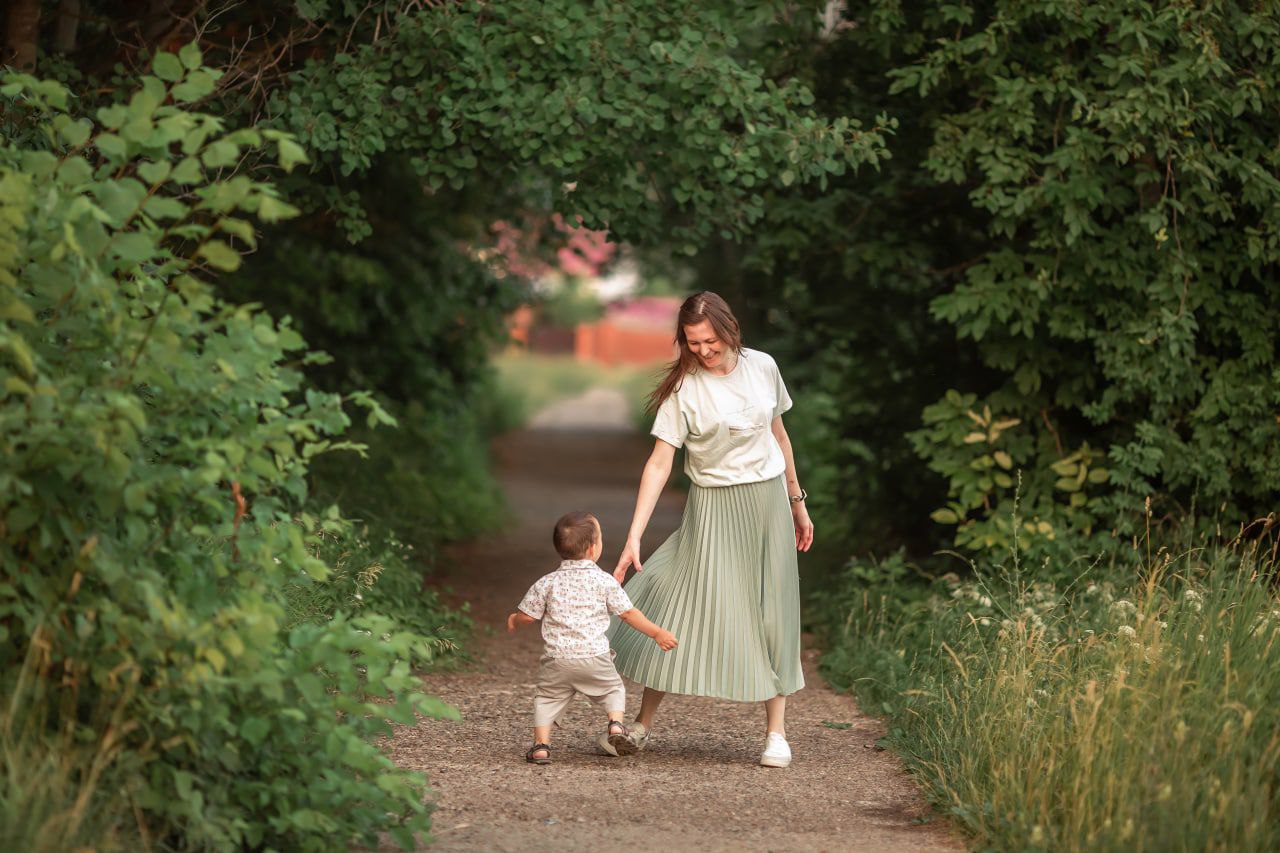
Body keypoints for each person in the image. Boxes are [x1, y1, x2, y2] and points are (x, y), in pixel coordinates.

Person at [608, 291, 814, 768]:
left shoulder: (763, 366)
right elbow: (661, 463)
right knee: (680, 601)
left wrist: (797, 501)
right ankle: (641, 726)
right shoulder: (684, 388)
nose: (703, 349)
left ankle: (776, 735)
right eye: (692, 342)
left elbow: (779, 437)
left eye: (710, 339)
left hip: (767, 505)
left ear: (729, 328)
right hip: (712, 508)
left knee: (772, 610)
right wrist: (634, 535)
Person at [508, 510, 678, 764]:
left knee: (546, 698)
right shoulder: (604, 582)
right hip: (595, 657)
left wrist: (514, 619)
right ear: (592, 549)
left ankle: (541, 746)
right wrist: (657, 632)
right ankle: (616, 726)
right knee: (612, 689)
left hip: (558, 659)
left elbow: (528, 616)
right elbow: (628, 614)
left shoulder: (547, 582)